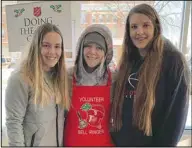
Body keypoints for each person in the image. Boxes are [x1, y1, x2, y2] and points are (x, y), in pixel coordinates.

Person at [110, 3, 190, 147]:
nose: (139, 32)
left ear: (156, 27)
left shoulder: (173, 60)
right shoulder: (129, 59)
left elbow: (175, 118)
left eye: (145, 25)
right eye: (134, 27)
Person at [5, 23, 70, 146]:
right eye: (46, 45)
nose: (52, 52)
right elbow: (14, 123)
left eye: (57, 46)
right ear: (36, 47)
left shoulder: (60, 78)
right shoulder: (20, 79)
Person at [64, 24, 116, 146]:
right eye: (88, 46)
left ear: (106, 52)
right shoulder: (67, 77)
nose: (92, 51)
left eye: (99, 48)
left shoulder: (114, 79)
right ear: (81, 48)